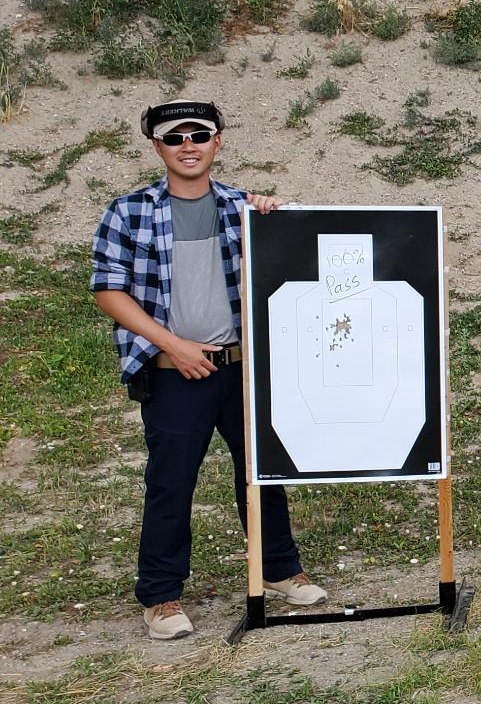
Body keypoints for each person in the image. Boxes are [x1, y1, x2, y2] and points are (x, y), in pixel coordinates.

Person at [91, 100, 328, 641]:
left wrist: (276, 216)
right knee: (171, 482)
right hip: (175, 371)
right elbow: (109, 290)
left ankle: (279, 569)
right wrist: (172, 346)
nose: (188, 145)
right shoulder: (128, 211)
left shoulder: (244, 207)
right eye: (175, 138)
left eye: (200, 134)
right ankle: (160, 596)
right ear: (158, 147)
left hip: (240, 365)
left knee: (263, 472)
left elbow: (296, 259)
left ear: (219, 141)